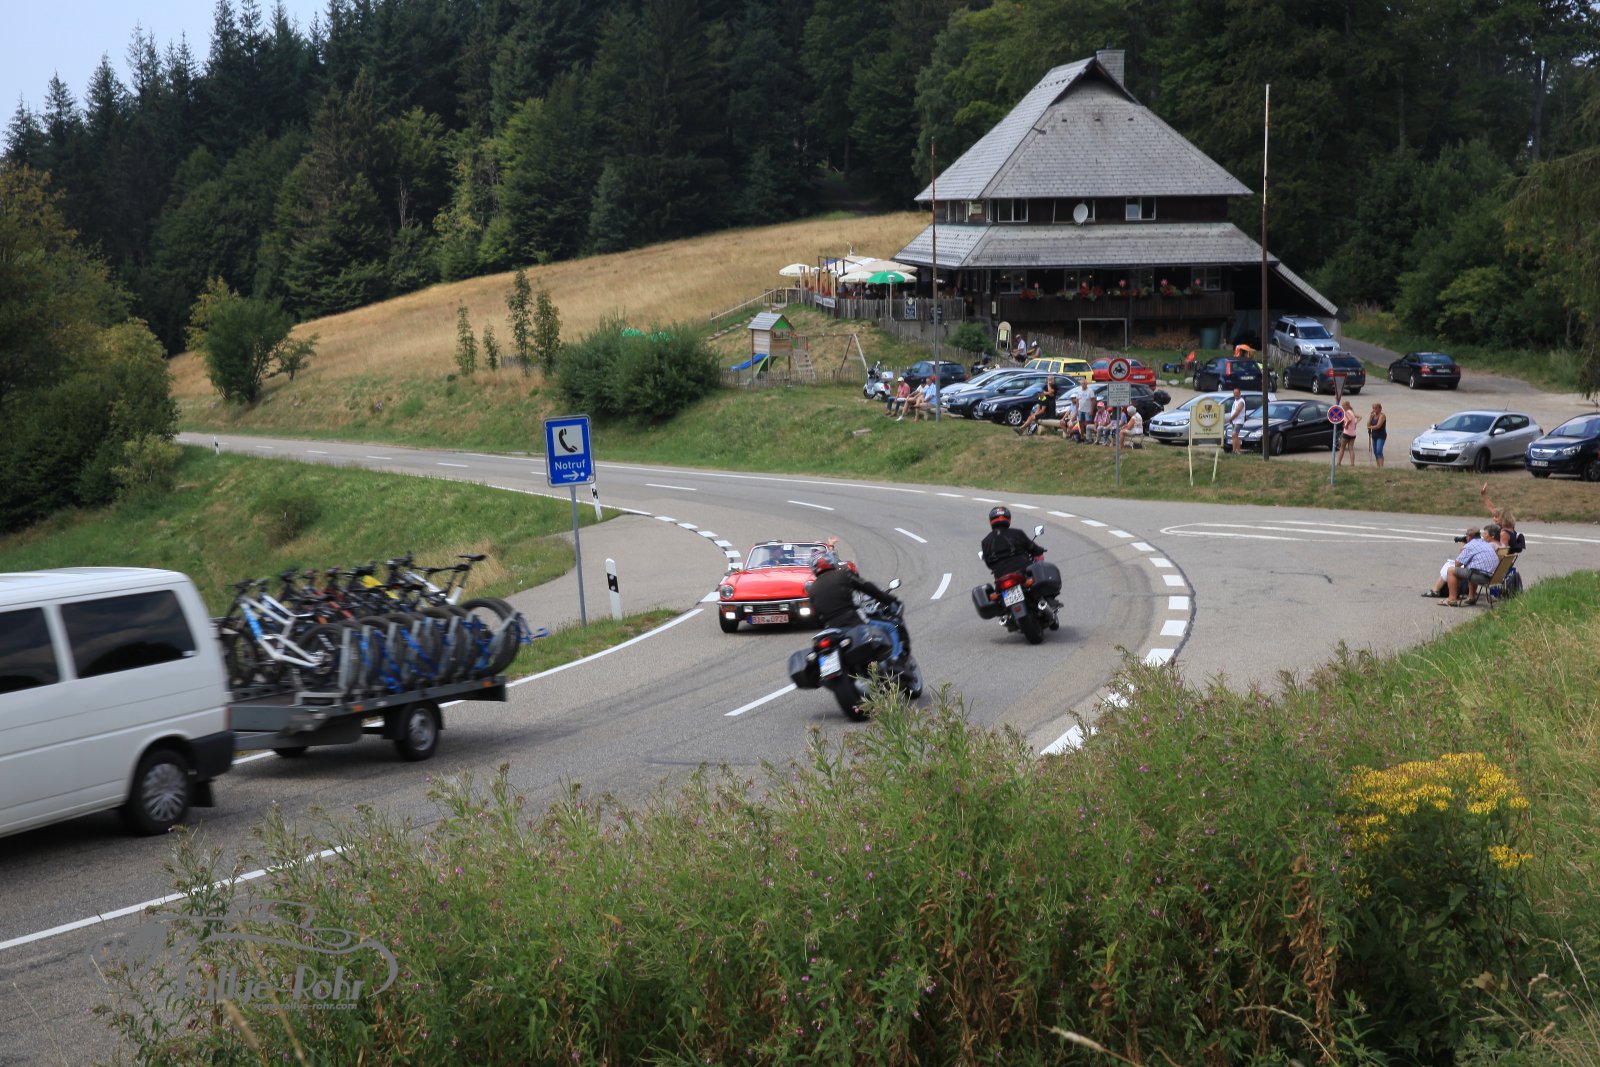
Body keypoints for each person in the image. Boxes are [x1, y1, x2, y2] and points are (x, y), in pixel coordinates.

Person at [807, 550, 904, 660]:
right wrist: (890, 600)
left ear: (813, 568)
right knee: (891, 628)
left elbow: (816, 617)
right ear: (831, 561)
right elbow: (869, 588)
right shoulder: (843, 575)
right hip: (854, 622)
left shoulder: (812, 589)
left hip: (832, 630)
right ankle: (895, 658)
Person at [981, 506, 1045, 579]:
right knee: (1037, 579)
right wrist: (1040, 550)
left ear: (991, 520)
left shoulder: (985, 541)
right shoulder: (1017, 533)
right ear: (1008, 519)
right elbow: (1033, 548)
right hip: (1022, 570)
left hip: (1001, 576)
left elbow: (989, 564)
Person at [1479, 484, 1526, 553]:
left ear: (1503, 518)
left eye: (1496, 517)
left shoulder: (1504, 533)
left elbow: (1503, 552)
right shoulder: (1511, 527)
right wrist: (1484, 495)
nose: (1494, 519)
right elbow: (1492, 508)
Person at [1226, 387, 1247, 453]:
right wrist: (1232, 419)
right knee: (1235, 436)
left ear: (1240, 393)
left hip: (1239, 421)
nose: (1236, 394)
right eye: (1234, 393)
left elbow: (1237, 412)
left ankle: (1234, 451)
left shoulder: (1241, 401)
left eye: (1237, 393)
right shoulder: (1235, 401)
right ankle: (1237, 451)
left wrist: (1231, 418)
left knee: (1234, 434)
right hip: (1234, 421)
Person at [1367, 402, 1387, 467]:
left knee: (1379, 451)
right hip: (1374, 435)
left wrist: (1371, 427)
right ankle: (1378, 466)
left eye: (1376, 408)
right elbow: (1368, 424)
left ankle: (1381, 466)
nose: (1374, 410)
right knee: (1375, 451)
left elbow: (1378, 426)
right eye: (1373, 408)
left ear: (1380, 408)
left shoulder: (1382, 416)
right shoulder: (1373, 416)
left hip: (1381, 435)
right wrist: (1370, 417)